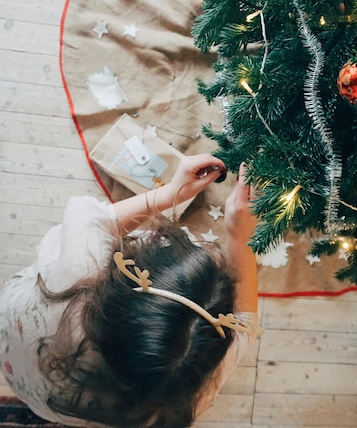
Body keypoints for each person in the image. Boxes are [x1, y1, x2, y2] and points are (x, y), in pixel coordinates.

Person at [0, 154, 261, 428]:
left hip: (19, 352)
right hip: (60, 405)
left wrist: (167, 194)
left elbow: (95, 217)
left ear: (113, 283)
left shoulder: (79, 269)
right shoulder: (187, 395)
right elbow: (245, 323)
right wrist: (241, 238)